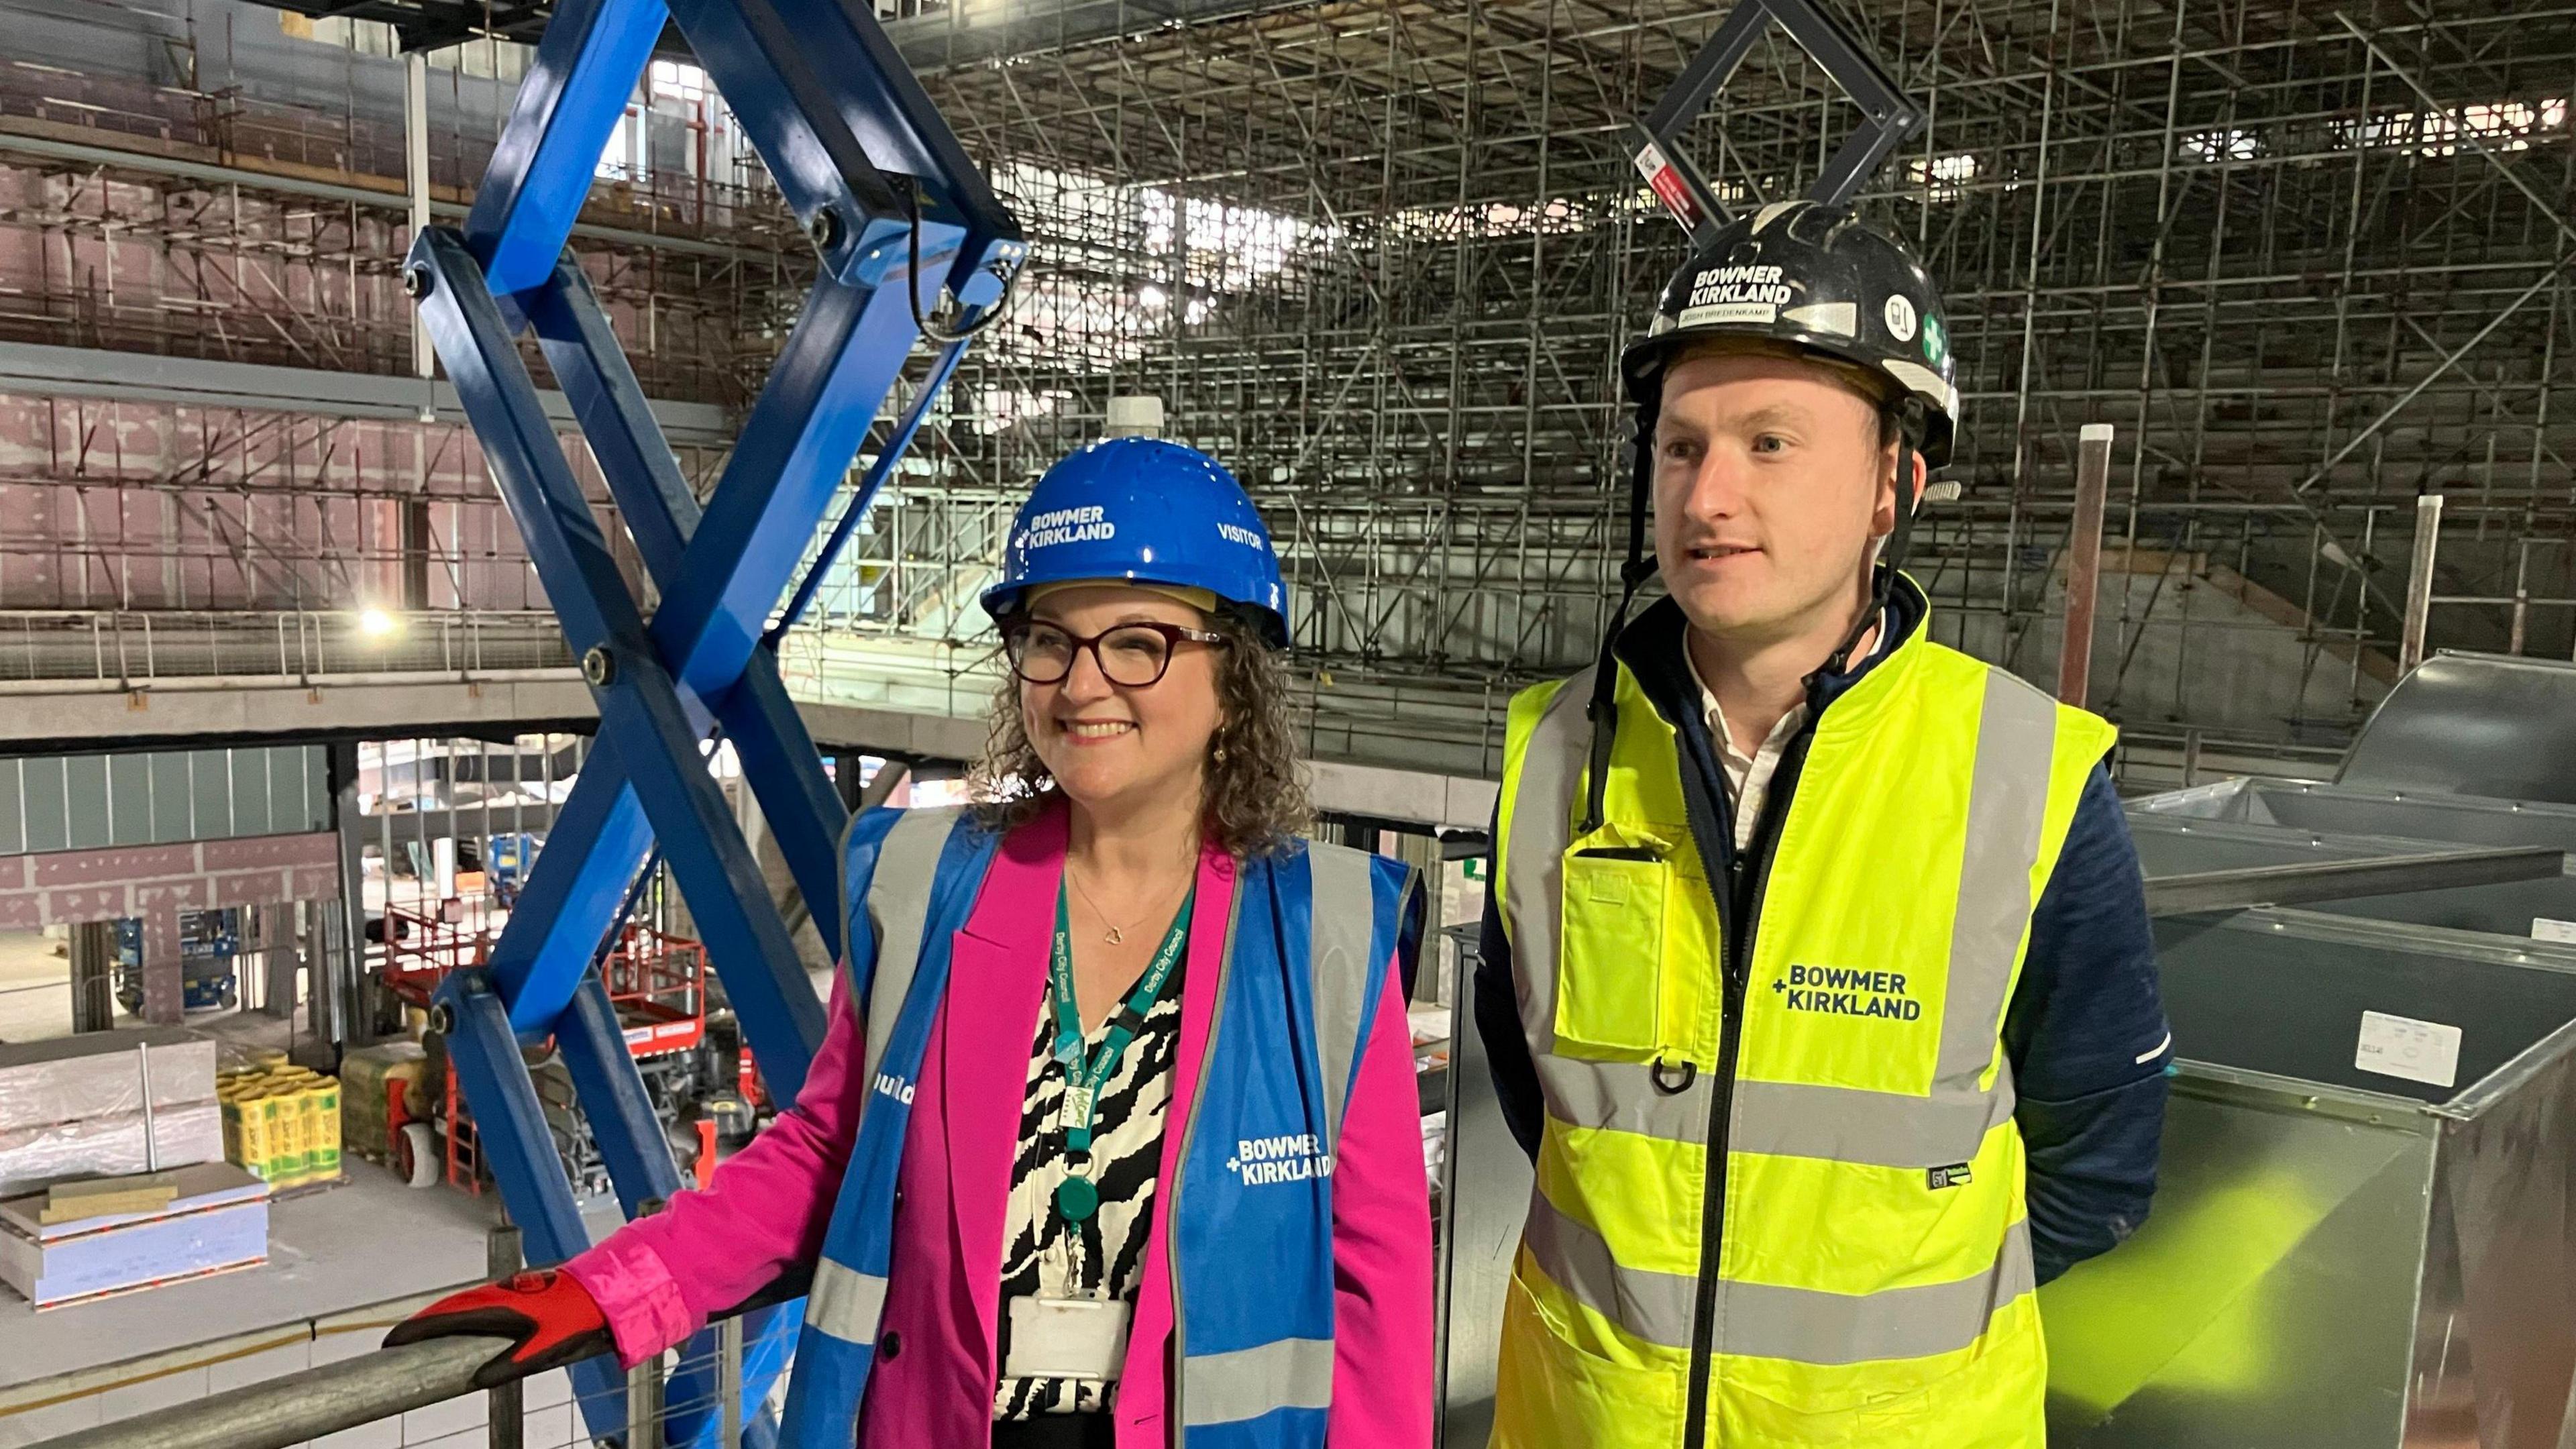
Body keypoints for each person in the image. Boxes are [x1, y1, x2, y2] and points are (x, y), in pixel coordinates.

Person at [389, 437, 1436, 1449]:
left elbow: (1377, 1278)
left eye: (1137, 641)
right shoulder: (927, 884)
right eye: (1049, 639)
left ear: (1234, 673)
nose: (1079, 686)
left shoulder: (1325, 933)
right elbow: (824, 1155)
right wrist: (612, 1287)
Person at [1474, 201, 2172, 1448]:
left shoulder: (2027, 776)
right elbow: (1544, 1098)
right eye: (1681, 446)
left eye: (1772, 441)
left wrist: (1866, 1366)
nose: (1711, 492)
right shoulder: (1555, 754)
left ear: (1893, 485)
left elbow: (2096, 1167)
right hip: (1590, 1418)